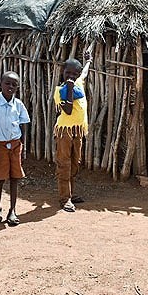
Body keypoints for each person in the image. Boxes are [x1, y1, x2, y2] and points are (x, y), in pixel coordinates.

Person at [0, 71, 30, 226]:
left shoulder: (19, 105)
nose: (10, 86)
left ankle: (13, 210)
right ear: (0, 84)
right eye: (7, 83)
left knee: (15, 178)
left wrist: (23, 147)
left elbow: (23, 126)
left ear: (17, 87)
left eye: (14, 84)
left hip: (15, 145)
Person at [53, 52, 92, 212]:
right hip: (64, 132)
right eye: (68, 73)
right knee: (64, 164)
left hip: (78, 131)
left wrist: (88, 61)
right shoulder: (60, 91)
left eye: (74, 74)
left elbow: (84, 73)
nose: (71, 76)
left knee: (75, 163)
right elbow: (68, 110)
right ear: (62, 71)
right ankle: (64, 198)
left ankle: (70, 192)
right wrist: (69, 88)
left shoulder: (79, 83)